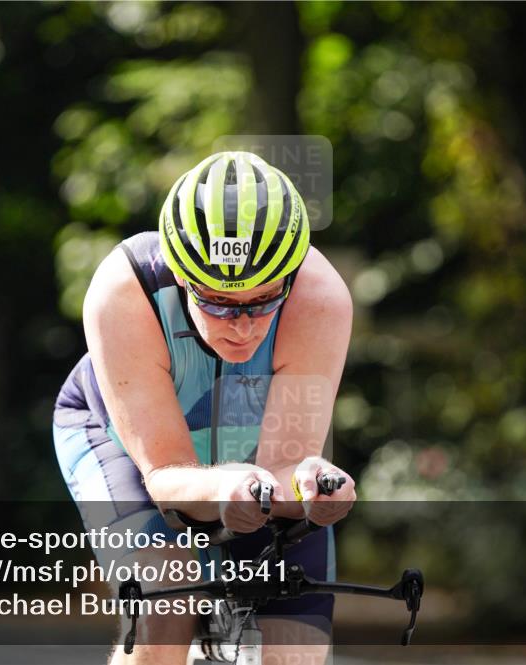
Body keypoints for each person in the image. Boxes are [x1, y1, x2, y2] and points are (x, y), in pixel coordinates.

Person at [53, 152, 356, 664]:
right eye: (217, 302)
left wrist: (314, 489)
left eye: (263, 302)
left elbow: (285, 469)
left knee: (295, 647)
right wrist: (229, 488)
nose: (242, 325)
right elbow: (167, 474)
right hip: (122, 440)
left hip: (253, 453)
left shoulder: (318, 295)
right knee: (166, 605)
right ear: (182, 278)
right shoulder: (124, 290)